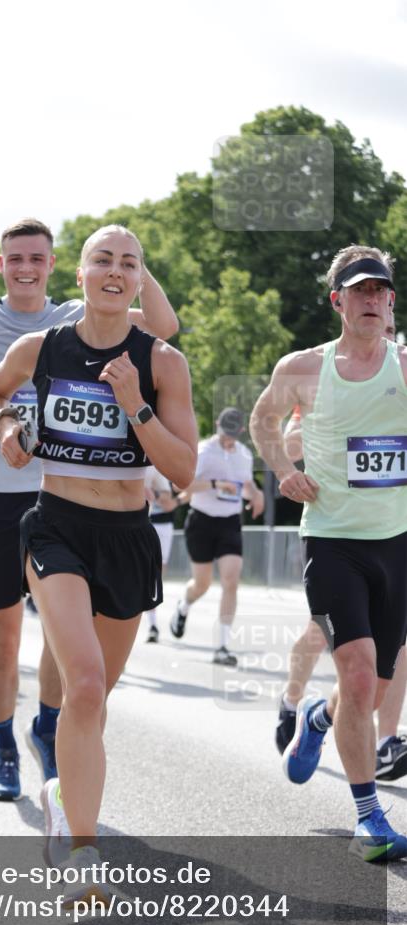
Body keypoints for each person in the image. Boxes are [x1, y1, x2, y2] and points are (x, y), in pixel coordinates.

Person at [0, 218, 179, 801]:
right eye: (15, 258)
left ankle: (47, 726)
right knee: (1, 633)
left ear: (55, 266)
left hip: (65, 496)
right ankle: (2, 746)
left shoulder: (76, 315)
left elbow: (166, 328)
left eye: (36, 259)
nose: (25, 268)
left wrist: (129, 263)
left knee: (60, 641)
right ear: (1, 265)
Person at [0, 224, 197, 900]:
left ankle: (56, 791)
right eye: (101, 259)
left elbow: (183, 470)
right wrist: (8, 427)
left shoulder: (161, 362)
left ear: (138, 283)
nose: (114, 270)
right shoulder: (39, 346)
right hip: (55, 527)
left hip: (127, 534)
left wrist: (132, 402)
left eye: (127, 263)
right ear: (77, 276)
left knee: (95, 700)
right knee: (83, 684)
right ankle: (81, 851)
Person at [250, 246, 407, 861]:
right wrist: (285, 471)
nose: (371, 301)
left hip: (396, 545)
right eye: (358, 291)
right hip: (334, 541)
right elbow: (264, 421)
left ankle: (316, 718)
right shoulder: (305, 368)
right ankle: (369, 819)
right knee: (362, 673)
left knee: (362, 690)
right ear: (337, 299)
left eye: (381, 291)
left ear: (391, 301)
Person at [274, 317, 407, 783]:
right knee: (333, 646)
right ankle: (294, 700)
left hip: (393, 536)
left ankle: (322, 720)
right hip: (334, 534)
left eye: (391, 323)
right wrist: (308, 447)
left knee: (376, 674)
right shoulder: (319, 371)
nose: (384, 330)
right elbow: (287, 436)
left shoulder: (399, 371)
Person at [169, 408, 265, 665]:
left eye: (233, 435)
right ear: (217, 425)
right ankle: (184, 606)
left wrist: (256, 494)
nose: (228, 439)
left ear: (241, 432)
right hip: (201, 520)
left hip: (230, 523)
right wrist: (214, 485)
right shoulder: (203, 451)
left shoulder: (244, 455)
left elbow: (246, 485)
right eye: (225, 433)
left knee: (231, 580)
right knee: (201, 585)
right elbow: (182, 485)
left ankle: (222, 646)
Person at [143, 466, 179, 643]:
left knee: (155, 575)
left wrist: (152, 494)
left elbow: (170, 502)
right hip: (141, 523)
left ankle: (152, 624)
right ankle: (152, 625)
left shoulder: (163, 463)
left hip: (162, 525)